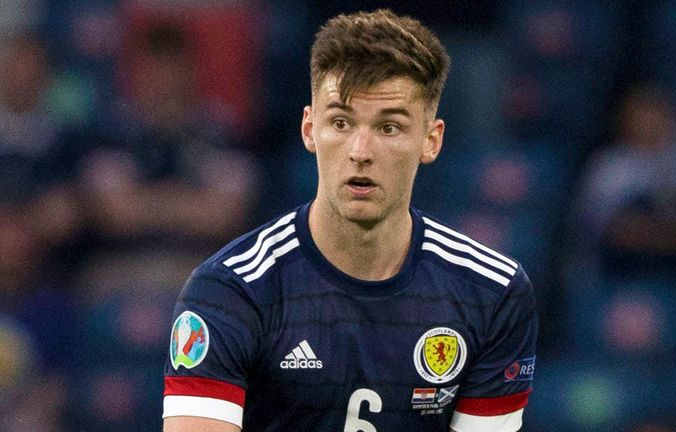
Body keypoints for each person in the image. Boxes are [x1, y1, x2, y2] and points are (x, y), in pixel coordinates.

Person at [162, 9, 538, 432]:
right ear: (309, 129)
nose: (360, 150)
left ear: (430, 141)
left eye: (389, 128)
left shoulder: (492, 293)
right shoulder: (231, 291)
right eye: (340, 122)